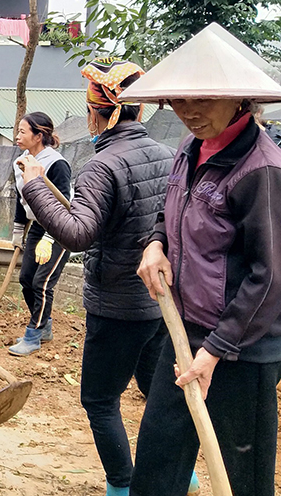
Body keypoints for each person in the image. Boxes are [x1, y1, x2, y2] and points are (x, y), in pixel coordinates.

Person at [124, 26, 281, 496]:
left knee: (241, 477)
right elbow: (167, 212)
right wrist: (154, 243)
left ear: (239, 101)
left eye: (204, 99)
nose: (189, 112)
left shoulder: (262, 169)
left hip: (243, 350)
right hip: (183, 332)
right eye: (179, 100)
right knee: (156, 465)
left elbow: (270, 278)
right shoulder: (189, 151)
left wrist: (215, 351)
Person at [16, 59, 177, 496]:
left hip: (117, 305)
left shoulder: (102, 166)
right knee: (153, 388)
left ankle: (123, 486)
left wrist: (34, 185)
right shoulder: (167, 155)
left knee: (100, 400)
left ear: (97, 113)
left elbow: (78, 234)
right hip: (160, 302)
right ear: (138, 112)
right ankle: (180, 473)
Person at [9, 112, 72, 356]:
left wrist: (50, 236)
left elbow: (64, 201)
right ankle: (43, 325)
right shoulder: (23, 161)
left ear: (38, 136)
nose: (17, 136)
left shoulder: (56, 164)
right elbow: (21, 196)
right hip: (37, 225)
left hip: (61, 226)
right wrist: (17, 230)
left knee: (42, 282)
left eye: (23, 132)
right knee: (26, 279)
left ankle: (33, 334)